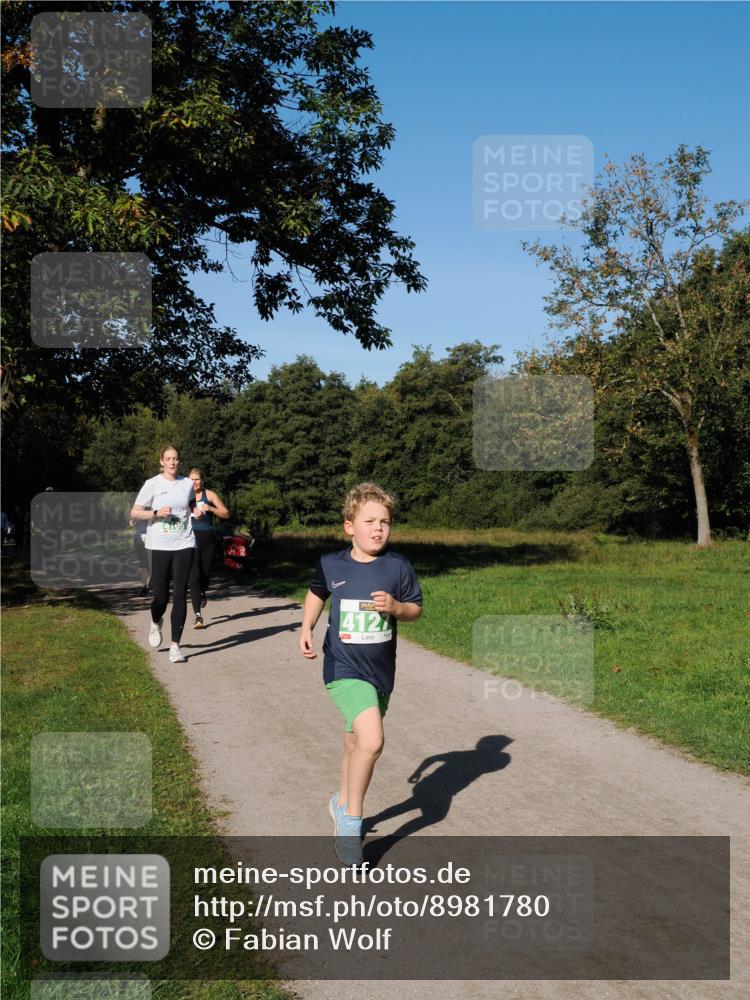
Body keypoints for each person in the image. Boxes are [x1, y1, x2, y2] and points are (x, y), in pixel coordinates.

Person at [299, 482, 423, 864]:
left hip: (381, 672)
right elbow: (317, 592)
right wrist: (306, 626)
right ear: (349, 526)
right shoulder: (332, 564)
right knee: (372, 741)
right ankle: (352, 824)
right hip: (343, 667)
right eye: (369, 520)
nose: (378, 528)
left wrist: (397, 608)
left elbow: (416, 608)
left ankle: (340, 802)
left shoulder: (397, 566)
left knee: (355, 743)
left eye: (385, 522)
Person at [130, 445, 196, 663]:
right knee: (161, 595)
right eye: (168, 459)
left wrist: (196, 510)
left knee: (180, 594)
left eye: (175, 458)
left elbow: (190, 503)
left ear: (179, 461)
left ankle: (175, 647)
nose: (172, 462)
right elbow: (135, 512)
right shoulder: (152, 484)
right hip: (159, 545)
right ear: (161, 462)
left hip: (184, 543)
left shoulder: (187, 484)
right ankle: (155, 621)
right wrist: (156, 513)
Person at [187, 468, 229, 628]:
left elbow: (226, 513)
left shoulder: (210, 495)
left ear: (202, 480)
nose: (194, 482)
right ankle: (198, 616)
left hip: (208, 541)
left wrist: (211, 509)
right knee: (194, 577)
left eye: (196, 479)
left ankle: (203, 592)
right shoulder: (184, 496)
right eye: (191, 479)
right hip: (190, 540)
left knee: (205, 574)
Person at [130, 511, 152, 596]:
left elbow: (131, 522)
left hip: (140, 536)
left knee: (143, 562)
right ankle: (147, 584)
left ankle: (145, 585)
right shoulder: (155, 506)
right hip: (151, 535)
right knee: (152, 562)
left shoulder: (138, 508)